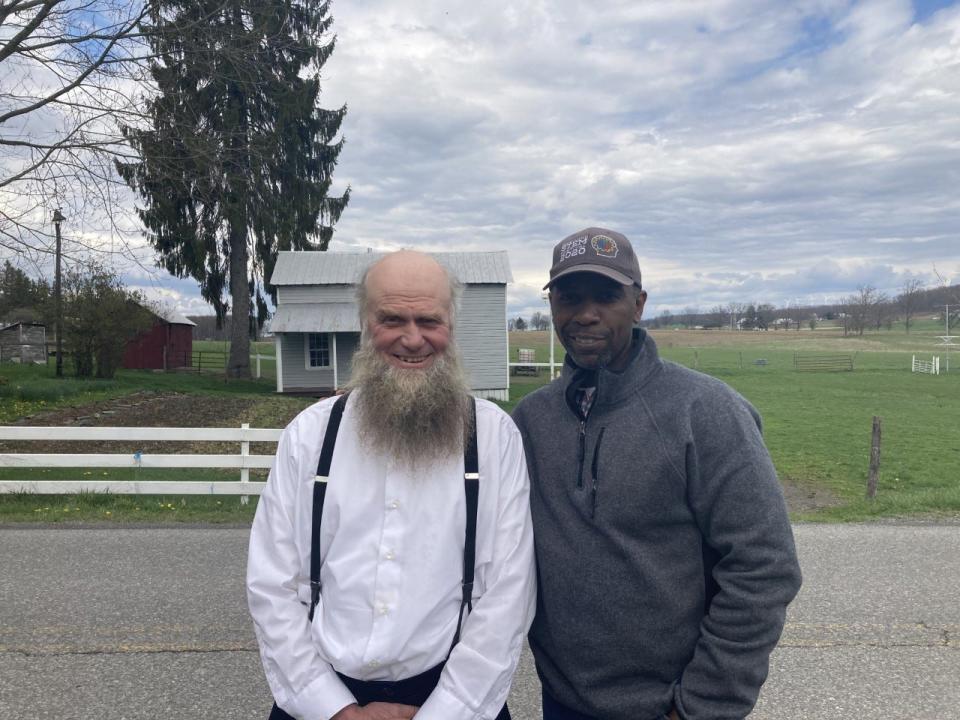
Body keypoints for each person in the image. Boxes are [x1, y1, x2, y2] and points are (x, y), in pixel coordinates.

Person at [512, 228, 802, 720]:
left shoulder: (706, 412)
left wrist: (703, 705)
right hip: (561, 700)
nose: (585, 314)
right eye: (569, 297)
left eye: (606, 296)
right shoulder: (530, 420)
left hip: (669, 706)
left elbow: (763, 567)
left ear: (639, 303)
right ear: (552, 305)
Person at [248, 250, 536, 720]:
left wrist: (443, 712)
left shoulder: (493, 437)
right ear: (365, 321)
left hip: (456, 698)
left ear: (452, 325)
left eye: (429, 320)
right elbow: (272, 585)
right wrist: (335, 709)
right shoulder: (310, 434)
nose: (412, 338)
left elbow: (506, 595)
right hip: (320, 697)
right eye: (392, 319)